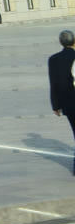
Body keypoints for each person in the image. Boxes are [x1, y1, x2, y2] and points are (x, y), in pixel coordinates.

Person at [48, 30, 75, 175]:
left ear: (61, 42)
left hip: (68, 104)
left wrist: (56, 105)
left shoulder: (54, 59)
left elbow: (54, 84)